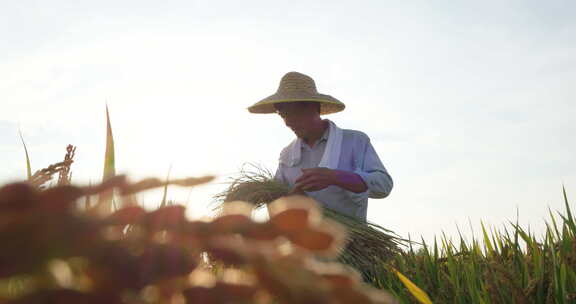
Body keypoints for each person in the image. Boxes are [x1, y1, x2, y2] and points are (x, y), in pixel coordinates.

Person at [247, 71, 393, 221]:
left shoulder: (354, 141)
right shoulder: (287, 155)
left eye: (293, 114)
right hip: (304, 242)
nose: (288, 122)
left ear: (313, 108)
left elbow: (383, 185)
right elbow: (277, 207)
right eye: (283, 115)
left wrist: (335, 177)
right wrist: (292, 200)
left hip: (351, 240)